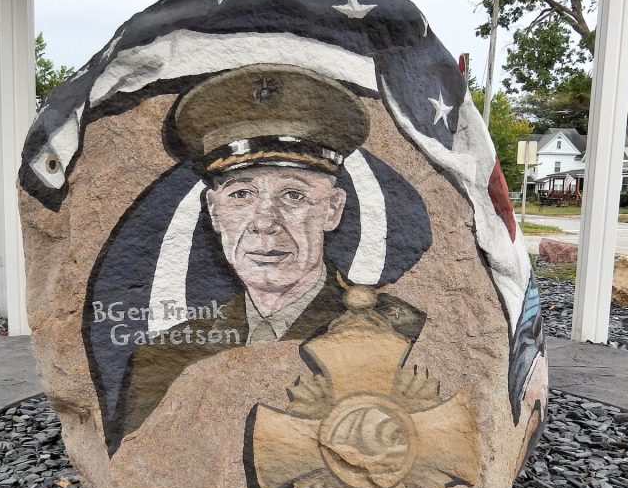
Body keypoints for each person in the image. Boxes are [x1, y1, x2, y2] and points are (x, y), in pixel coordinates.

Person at [112, 64, 425, 445]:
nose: (264, 223)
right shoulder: (162, 357)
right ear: (214, 211)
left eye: (293, 195)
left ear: (332, 209)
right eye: (241, 195)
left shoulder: (396, 334)